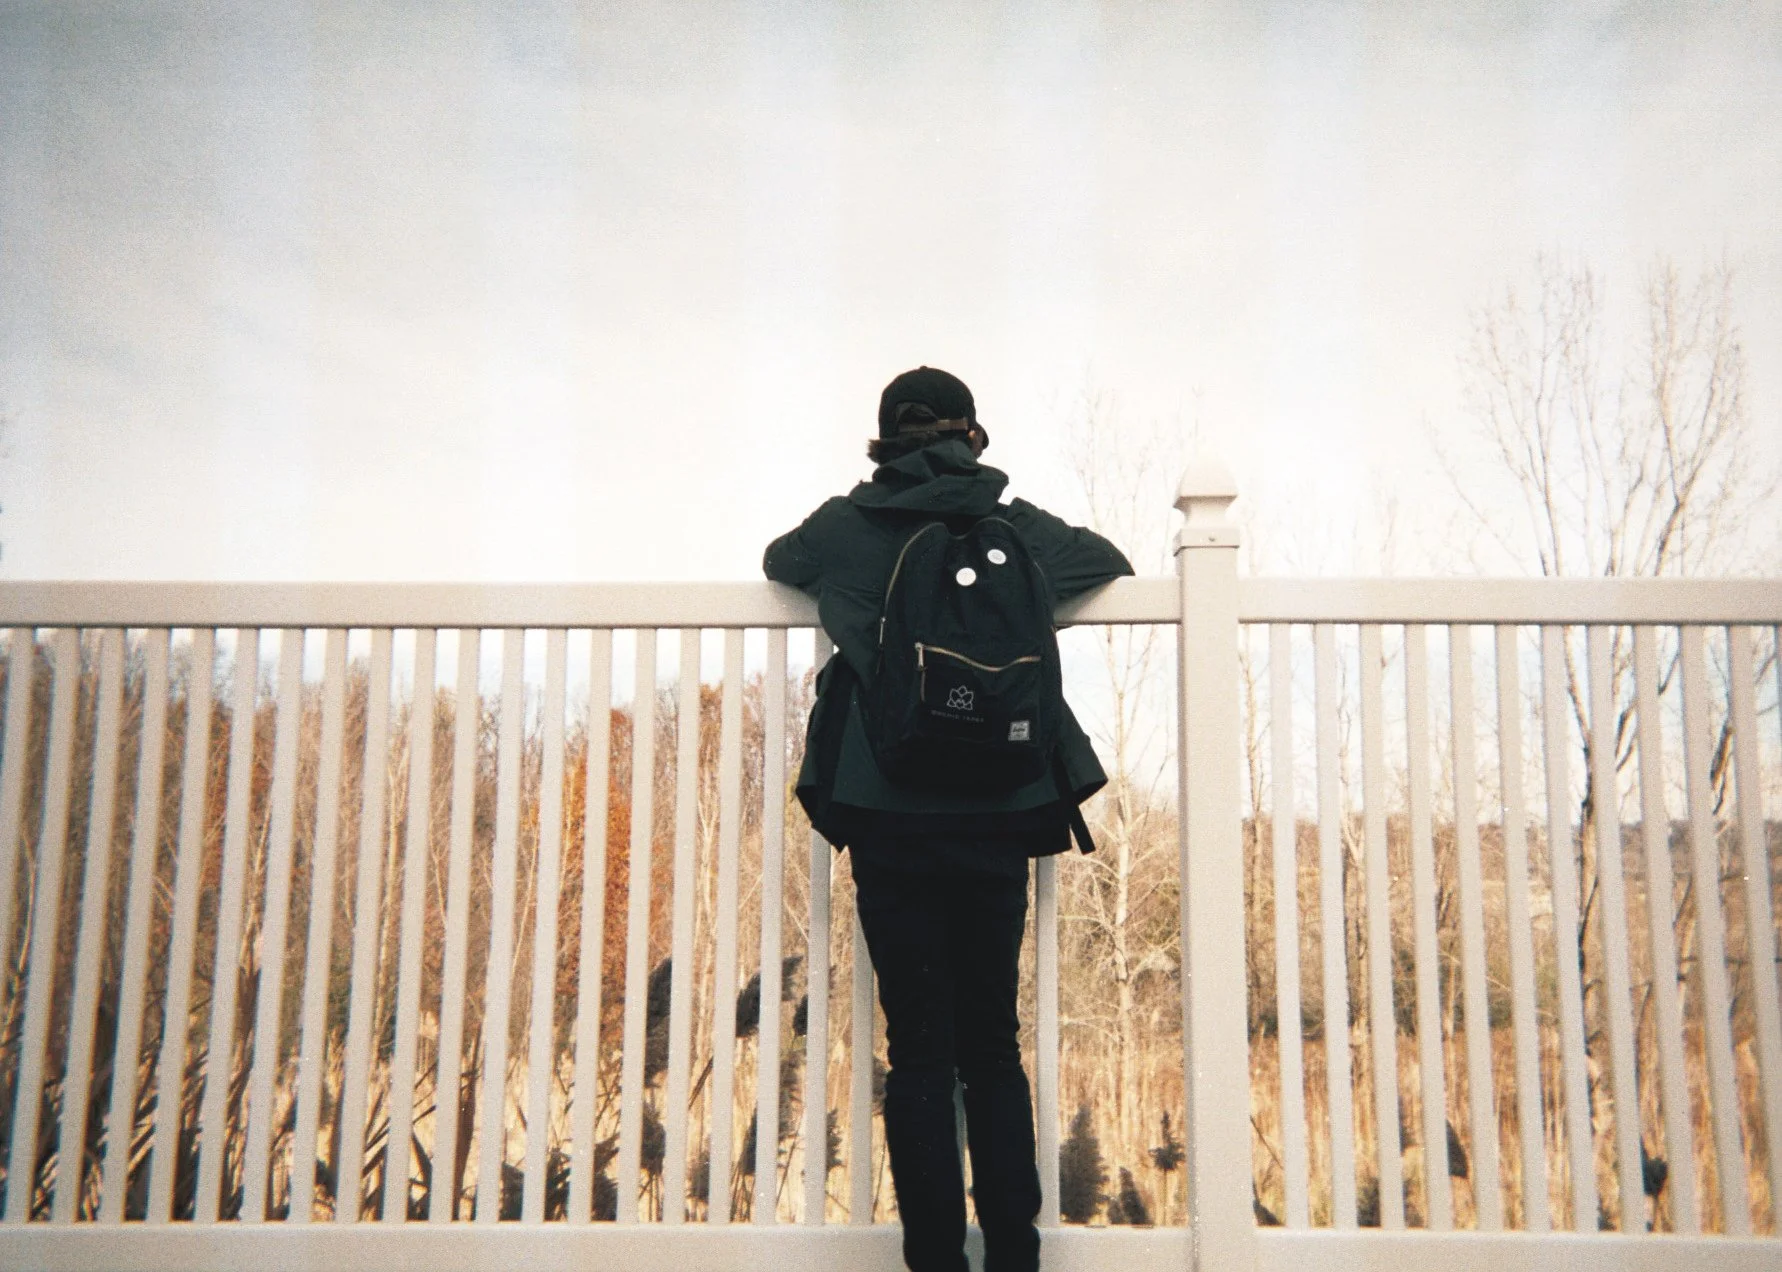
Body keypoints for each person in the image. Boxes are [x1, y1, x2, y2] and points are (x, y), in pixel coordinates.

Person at [763, 367, 1132, 1272]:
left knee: (919, 1052)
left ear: (886, 439)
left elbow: (780, 562)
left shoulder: (846, 526)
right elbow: (1104, 561)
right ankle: (1014, 1254)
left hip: (887, 810)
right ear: (972, 436)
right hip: (1000, 810)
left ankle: (934, 1260)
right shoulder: (1014, 528)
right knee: (993, 1046)